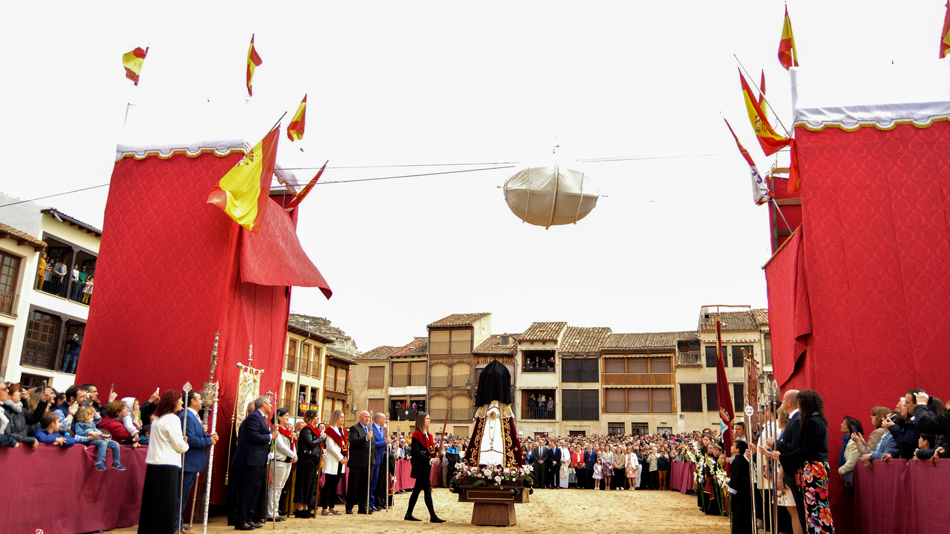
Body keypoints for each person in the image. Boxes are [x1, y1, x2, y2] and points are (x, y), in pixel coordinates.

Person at [769, 390, 833, 534]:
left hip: (813, 470)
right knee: (814, 509)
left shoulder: (812, 422)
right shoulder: (815, 420)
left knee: (815, 509)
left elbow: (805, 450)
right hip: (814, 469)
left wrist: (782, 458)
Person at [137, 390, 189, 534]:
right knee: (166, 503)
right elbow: (179, 445)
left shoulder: (157, 419)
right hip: (167, 464)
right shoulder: (173, 419)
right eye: (180, 400)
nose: (182, 402)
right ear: (173, 402)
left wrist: (179, 441)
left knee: (153, 502)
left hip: (154, 464)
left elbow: (165, 439)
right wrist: (185, 445)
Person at [230, 396, 276, 531]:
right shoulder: (254, 417)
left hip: (259, 459)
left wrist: (270, 432)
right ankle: (241, 519)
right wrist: (270, 436)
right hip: (251, 460)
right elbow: (254, 436)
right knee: (247, 490)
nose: (271, 406)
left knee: (254, 490)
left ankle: (249, 517)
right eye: (270, 403)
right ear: (263, 404)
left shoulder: (260, 418)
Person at [178, 390, 218, 530]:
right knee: (181, 496)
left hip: (193, 463)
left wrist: (209, 438)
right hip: (188, 462)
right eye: (199, 398)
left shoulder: (193, 416)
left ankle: (179, 523)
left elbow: (196, 436)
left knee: (184, 496)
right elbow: (191, 440)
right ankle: (176, 525)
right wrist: (208, 442)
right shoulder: (187, 416)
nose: (202, 401)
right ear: (193, 401)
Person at [404, 412, 445, 523]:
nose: (429, 420)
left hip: (426, 466)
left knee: (416, 491)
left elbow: (431, 450)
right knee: (427, 490)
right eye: (427, 419)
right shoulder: (416, 435)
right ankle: (433, 516)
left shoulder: (429, 435)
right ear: (422, 421)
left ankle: (408, 514)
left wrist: (435, 456)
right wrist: (430, 459)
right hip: (420, 466)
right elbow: (416, 452)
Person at [74, 406, 125, 471]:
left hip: (98, 437)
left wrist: (103, 436)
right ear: (85, 418)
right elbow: (79, 433)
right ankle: (100, 462)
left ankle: (116, 462)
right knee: (102, 443)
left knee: (115, 444)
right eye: (91, 417)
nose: (93, 419)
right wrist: (89, 432)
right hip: (90, 440)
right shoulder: (79, 424)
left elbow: (98, 419)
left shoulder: (92, 424)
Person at [267, 408, 295, 522]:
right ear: (279, 417)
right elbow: (280, 446)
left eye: (288, 415)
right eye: (286, 415)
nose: (288, 417)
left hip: (287, 462)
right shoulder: (276, 429)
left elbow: (291, 444)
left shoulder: (287, 430)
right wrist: (293, 455)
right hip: (278, 461)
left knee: (280, 489)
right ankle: (271, 513)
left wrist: (294, 455)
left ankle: (276, 511)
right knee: (275, 488)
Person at [294, 410, 324, 518]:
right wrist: (321, 438)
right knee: (303, 483)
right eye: (316, 416)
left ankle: (306, 507)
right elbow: (310, 443)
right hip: (306, 459)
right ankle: (299, 508)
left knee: (310, 484)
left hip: (313, 459)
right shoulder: (306, 429)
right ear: (311, 418)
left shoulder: (315, 430)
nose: (318, 419)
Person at [346, 410, 375, 515]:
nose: (367, 418)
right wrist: (365, 438)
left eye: (368, 417)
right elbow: (353, 441)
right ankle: (349, 506)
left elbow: (373, 446)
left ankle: (363, 507)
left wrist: (373, 460)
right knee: (353, 486)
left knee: (365, 486)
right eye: (365, 417)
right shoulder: (355, 428)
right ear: (360, 418)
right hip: (357, 462)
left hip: (368, 463)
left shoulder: (370, 430)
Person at [320, 410, 347, 516]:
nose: (343, 419)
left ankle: (332, 506)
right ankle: (324, 508)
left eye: (343, 417)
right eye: (341, 417)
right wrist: (340, 457)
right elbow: (330, 446)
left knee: (335, 484)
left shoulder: (343, 430)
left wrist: (345, 457)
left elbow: (345, 445)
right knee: (329, 484)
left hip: (341, 460)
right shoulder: (330, 430)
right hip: (333, 459)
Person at [728, 440, 754, 534]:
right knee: (744, 512)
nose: (731, 447)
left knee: (739, 512)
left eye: (733, 445)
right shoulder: (742, 460)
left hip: (740, 491)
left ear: (737, 450)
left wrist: (731, 489)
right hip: (744, 489)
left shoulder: (737, 461)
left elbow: (736, 476)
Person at [369, 412, 390, 512]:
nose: (385, 421)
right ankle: (369, 502)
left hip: (380, 459)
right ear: (380, 419)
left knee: (375, 482)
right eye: (384, 419)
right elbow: (372, 444)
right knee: (371, 481)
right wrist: (384, 442)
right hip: (373, 458)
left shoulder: (382, 429)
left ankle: (373, 503)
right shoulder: (371, 428)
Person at [838, 416, 862, 490]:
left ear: (850, 428)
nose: (841, 424)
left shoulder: (854, 442)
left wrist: (840, 471)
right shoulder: (847, 441)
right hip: (849, 477)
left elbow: (852, 463)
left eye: (844, 424)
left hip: (853, 479)